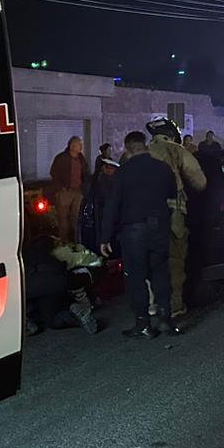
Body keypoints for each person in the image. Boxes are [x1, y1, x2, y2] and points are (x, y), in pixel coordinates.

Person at [101, 131, 181, 338]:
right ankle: (166, 321)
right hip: (159, 227)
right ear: (145, 145)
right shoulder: (162, 168)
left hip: (133, 230)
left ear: (128, 149)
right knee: (160, 273)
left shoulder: (124, 172)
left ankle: (143, 324)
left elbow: (113, 205)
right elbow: (172, 192)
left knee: (136, 277)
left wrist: (105, 237)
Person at [146, 117, 207, 318]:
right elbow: (200, 182)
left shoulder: (139, 151)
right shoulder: (177, 150)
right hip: (173, 212)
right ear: (173, 134)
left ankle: (151, 303)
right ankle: (174, 305)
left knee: (148, 257)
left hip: (142, 214)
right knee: (174, 258)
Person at [46, 136, 89, 243]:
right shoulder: (61, 158)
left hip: (78, 191)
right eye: (79, 145)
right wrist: (61, 188)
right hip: (65, 192)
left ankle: (77, 241)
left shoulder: (81, 159)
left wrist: (84, 187)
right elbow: (54, 173)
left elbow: (85, 173)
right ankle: (63, 241)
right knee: (63, 218)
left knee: (76, 217)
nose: (81, 147)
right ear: (72, 146)